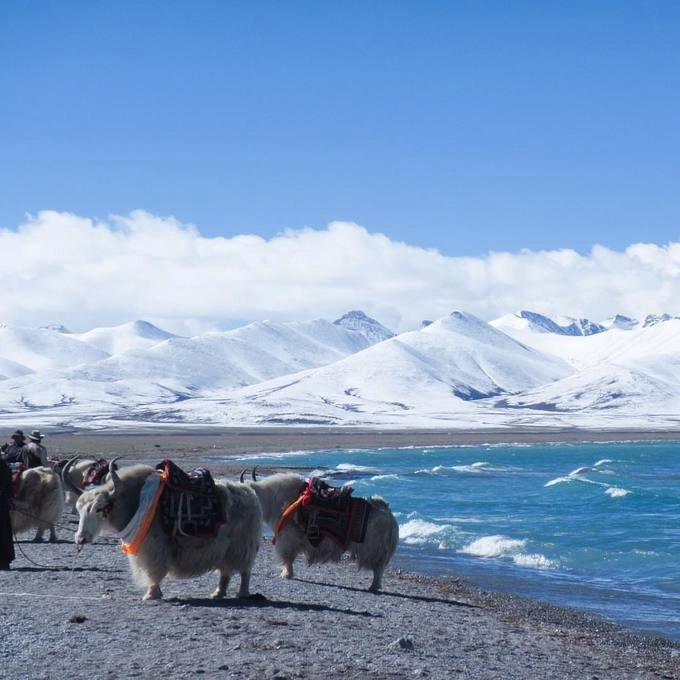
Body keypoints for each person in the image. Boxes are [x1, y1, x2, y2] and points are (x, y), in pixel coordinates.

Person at [0, 455, 15, 569]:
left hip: (1, 504)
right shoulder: (4, 464)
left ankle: (4, 560)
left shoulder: (2, 465)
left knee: (2, 532)